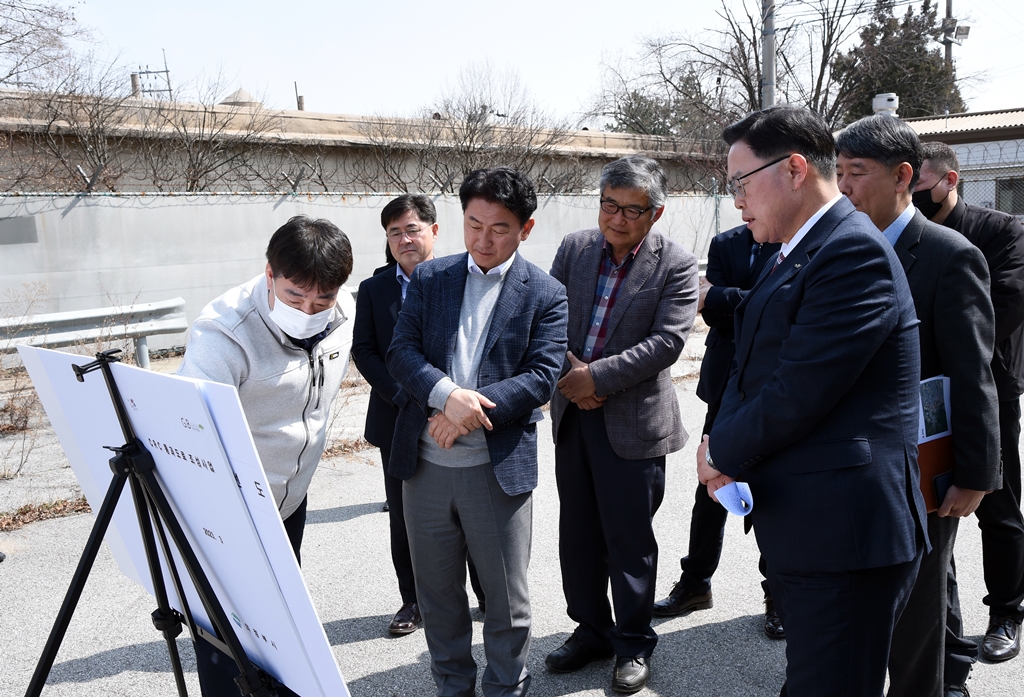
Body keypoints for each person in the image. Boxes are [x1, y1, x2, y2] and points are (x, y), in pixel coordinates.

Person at [696, 105, 928, 697]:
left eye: (741, 183)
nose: (737, 200)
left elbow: (799, 390)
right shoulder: (801, 248)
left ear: (795, 169)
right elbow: (754, 362)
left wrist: (719, 449)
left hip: (846, 536)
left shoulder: (851, 252)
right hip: (816, 528)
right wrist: (715, 435)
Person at [385, 168, 568, 697]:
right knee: (438, 594)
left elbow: (541, 376)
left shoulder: (546, 293)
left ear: (526, 229)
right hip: (425, 467)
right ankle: (453, 687)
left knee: (506, 599)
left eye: (500, 229)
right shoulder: (430, 278)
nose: (484, 240)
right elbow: (402, 352)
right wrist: (446, 395)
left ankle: (506, 686)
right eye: (474, 224)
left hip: (496, 466)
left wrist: (465, 411)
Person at [835, 115, 1000, 697]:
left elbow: (973, 373)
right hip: (853, 466)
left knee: (918, 619)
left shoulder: (947, 255)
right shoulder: (840, 250)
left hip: (923, 471)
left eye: (857, 173)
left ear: (904, 176)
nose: (845, 187)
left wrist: (974, 475)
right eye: (838, 173)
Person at [177, 215, 355, 697]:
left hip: (288, 500)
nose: (308, 309)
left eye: (322, 299)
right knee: (227, 640)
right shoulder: (224, 334)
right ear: (269, 274)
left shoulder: (343, 314)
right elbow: (189, 435)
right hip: (227, 511)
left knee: (280, 627)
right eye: (295, 297)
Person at [545, 154, 699, 694]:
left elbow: (668, 342)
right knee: (578, 533)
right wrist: (574, 378)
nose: (618, 218)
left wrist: (598, 380)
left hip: (633, 423)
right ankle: (590, 630)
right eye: (610, 205)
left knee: (628, 540)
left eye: (632, 209)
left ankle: (632, 643)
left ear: (655, 213)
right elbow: (549, 318)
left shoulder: (675, 264)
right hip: (573, 412)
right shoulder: (574, 249)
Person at [352, 194, 486, 637]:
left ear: (433, 230)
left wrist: (448, 402)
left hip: (457, 418)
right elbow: (366, 351)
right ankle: (413, 600)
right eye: (394, 233)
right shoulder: (374, 290)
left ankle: (486, 592)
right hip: (397, 419)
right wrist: (407, 396)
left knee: (469, 510)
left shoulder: (461, 278)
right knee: (406, 518)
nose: (404, 239)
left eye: (412, 229)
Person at [916, 141, 1024, 684]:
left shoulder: (1000, 231)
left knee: (998, 506)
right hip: (925, 392)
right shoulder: (907, 233)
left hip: (989, 388)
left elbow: (1006, 304)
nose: (912, 198)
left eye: (921, 187)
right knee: (936, 508)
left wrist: (952, 348)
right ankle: (945, 633)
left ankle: (1007, 611)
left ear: (951, 181)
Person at [652, 223, 784, 639]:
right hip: (724, 383)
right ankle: (695, 584)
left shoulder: (795, 236)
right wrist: (747, 301)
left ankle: (778, 593)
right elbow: (708, 310)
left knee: (774, 488)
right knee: (709, 483)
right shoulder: (728, 242)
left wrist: (729, 298)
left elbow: (781, 306)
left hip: (772, 385)